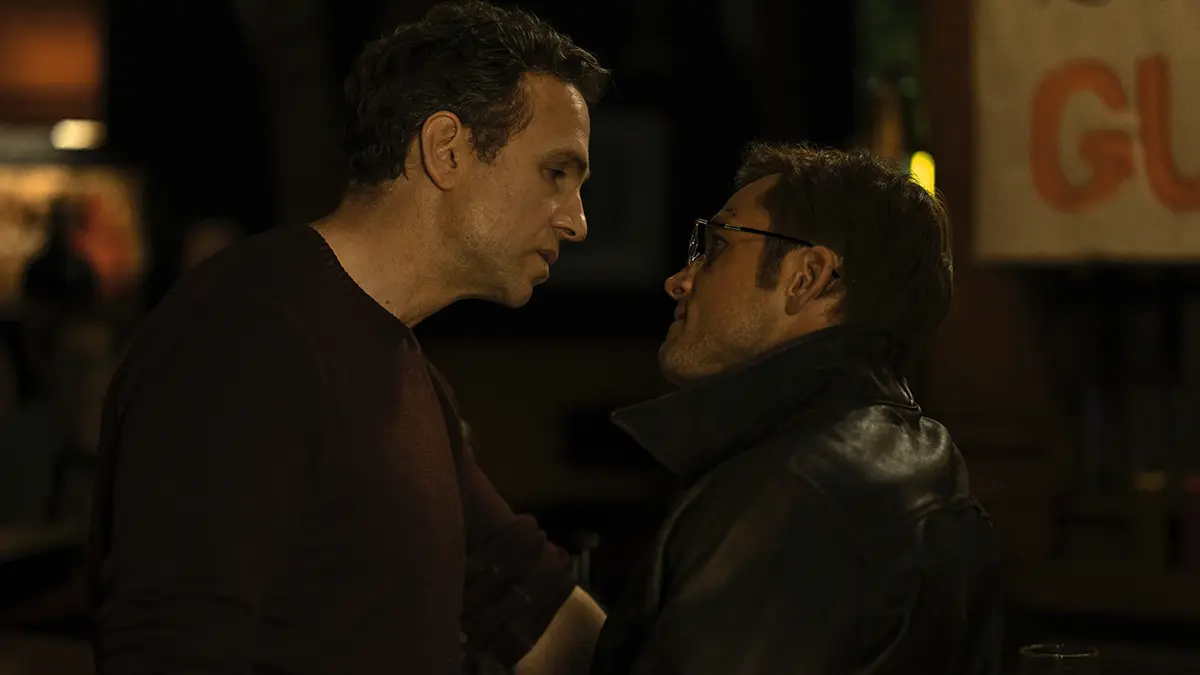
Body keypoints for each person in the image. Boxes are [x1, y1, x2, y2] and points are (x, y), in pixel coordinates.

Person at [88, 3, 609, 674]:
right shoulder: (247, 335)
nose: (576, 221)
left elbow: (521, 597)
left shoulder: (403, 366)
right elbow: (170, 644)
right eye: (556, 173)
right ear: (447, 149)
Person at [591, 143, 1003, 675]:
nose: (680, 280)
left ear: (808, 276)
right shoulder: (915, 457)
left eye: (717, 246)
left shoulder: (793, 499)